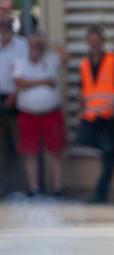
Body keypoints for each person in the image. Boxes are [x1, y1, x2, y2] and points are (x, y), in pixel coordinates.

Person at [77, 24, 114, 204]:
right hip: (92, 117)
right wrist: (81, 108)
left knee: (108, 155)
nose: (94, 44)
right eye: (91, 41)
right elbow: (85, 90)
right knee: (83, 140)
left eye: (97, 41)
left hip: (112, 116)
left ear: (103, 42)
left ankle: (101, 193)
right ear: (87, 42)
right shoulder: (84, 64)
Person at [10, 31, 61, 198]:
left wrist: (50, 43)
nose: (36, 49)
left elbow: (67, 57)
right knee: (30, 152)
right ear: (28, 46)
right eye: (33, 45)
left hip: (50, 113)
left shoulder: (52, 59)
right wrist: (45, 81)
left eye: (40, 45)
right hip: (28, 114)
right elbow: (19, 82)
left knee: (55, 151)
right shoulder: (20, 62)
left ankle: (57, 188)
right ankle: (33, 188)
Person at [0, 19, 22, 197]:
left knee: (18, 144)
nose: (3, 30)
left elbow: (25, 70)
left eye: (6, 26)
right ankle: (3, 187)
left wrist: (15, 94)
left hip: (15, 98)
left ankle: (20, 186)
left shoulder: (21, 46)